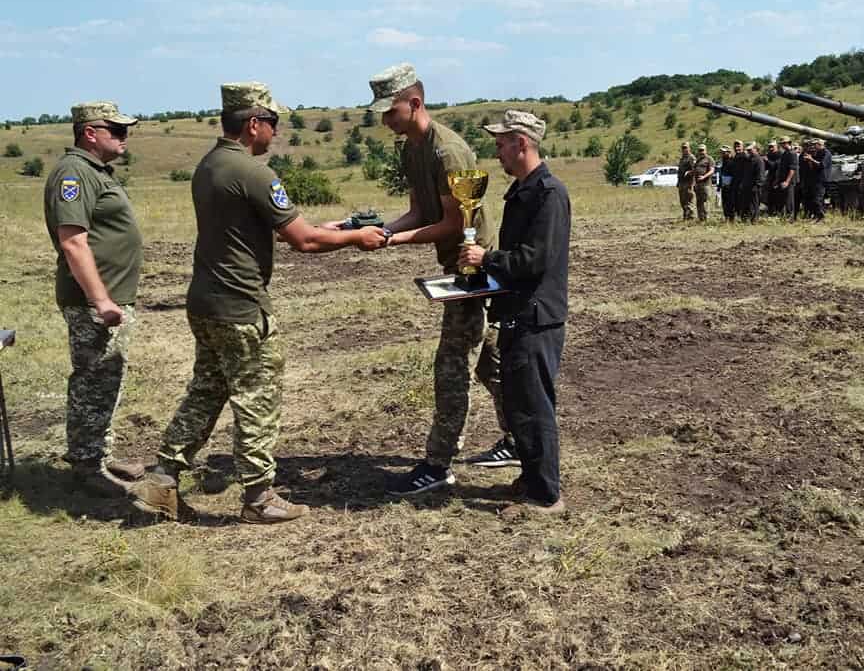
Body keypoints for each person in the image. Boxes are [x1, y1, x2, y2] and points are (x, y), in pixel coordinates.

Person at [129, 82, 385, 523]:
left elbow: (260, 227)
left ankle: (162, 479)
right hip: (241, 307)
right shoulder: (253, 172)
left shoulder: (210, 165)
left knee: (206, 392)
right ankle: (259, 498)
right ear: (253, 123)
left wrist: (324, 228)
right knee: (257, 397)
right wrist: (356, 238)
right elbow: (302, 241)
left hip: (205, 301)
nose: (276, 133)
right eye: (273, 123)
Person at [364, 63, 512, 496]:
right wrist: (386, 230)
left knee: (451, 366)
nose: (385, 120)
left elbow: (452, 224)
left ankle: (438, 463)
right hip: (455, 267)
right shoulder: (412, 148)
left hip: (474, 269)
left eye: (390, 111)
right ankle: (519, 437)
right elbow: (418, 211)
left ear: (415, 103)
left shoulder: (448, 150)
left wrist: (393, 242)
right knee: (489, 363)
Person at [459, 110, 570, 516]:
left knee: (534, 405)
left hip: (536, 318)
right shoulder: (524, 190)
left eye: (502, 143)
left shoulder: (549, 194)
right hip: (519, 313)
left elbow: (535, 260)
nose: (498, 152)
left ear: (522, 143)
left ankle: (545, 496)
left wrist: (485, 259)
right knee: (521, 403)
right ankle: (532, 476)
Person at [43, 101, 146, 496]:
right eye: (116, 130)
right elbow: (73, 241)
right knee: (93, 380)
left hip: (108, 297)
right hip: (94, 302)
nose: (124, 137)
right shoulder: (74, 173)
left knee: (107, 378)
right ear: (90, 133)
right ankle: (87, 466)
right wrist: (100, 299)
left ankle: (98, 454)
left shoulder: (92, 171)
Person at [737, 142, 765, 223]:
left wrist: (757, 185)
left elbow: (760, 175)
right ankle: (746, 219)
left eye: (750, 150)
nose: (749, 151)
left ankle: (754, 220)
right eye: (748, 150)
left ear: (756, 149)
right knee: (746, 204)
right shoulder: (749, 159)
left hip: (754, 187)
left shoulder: (759, 160)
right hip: (747, 186)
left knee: (754, 204)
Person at [775, 136, 799, 220]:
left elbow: (792, 169)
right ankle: (785, 217)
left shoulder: (792, 153)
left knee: (789, 200)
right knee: (784, 199)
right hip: (783, 180)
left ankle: (790, 218)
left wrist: (787, 181)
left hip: (789, 181)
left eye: (784, 143)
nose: (782, 145)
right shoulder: (785, 153)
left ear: (788, 143)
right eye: (781, 143)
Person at [809, 139, 832, 222]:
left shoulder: (826, 153)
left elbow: (822, 165)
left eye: (816, 144)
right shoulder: (818, 153)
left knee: (818, 198)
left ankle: (821, 216)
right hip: (816, 178)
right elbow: (814, 166)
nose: (814, 146)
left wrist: (811, 159)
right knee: (817, 199)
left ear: (821, 145)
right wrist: (810, 160)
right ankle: (819, 216)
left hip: (823, 179)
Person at [693, 144, 715, 221]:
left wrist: (704, 176)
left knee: (705, 202)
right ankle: (700, 218)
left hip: (706, 184)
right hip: (698, 184)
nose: (701, 152)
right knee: (699, 202)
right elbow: (695, 170)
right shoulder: (698, 160)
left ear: (706, 150)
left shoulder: (709, 159)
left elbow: (712, 170)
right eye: (700, 150)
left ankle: (706, 219)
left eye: (702, 150)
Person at [677, 142, 695, 220]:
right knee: (682, 200)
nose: (684, 149)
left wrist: (689, 172)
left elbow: (695, 169)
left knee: (689, 200)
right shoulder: (682, 158)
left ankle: (691, 217)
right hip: (681, 182)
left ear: (689, 148)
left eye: (686, 147)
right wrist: (678, 182)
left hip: (688, 182)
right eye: (683, 148)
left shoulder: (691, 158)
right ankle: (685, 216)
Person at [718, 145, 736, 222]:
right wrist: (720, 185)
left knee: (730, 203)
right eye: (721, 152)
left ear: (729, 152)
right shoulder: (723, 161)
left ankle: (731, 219)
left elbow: (735, 174)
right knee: (724, 202)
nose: (722, 154)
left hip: (731, 186)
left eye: (724, 152)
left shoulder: (733, 161)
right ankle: (726, 217)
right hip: (724, 185)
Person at [764, 141, 782, 216]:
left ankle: (778, 212)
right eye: (769, 147)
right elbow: (766, 167)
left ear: (776, 146)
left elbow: (775, 165)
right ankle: (770, 212)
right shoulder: (769, 154)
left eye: (772, 147)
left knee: (777, 196)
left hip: (777, 178)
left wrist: (767, 160)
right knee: (769, 196)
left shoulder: (780, 154)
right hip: (770, 177)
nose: (771, 148)